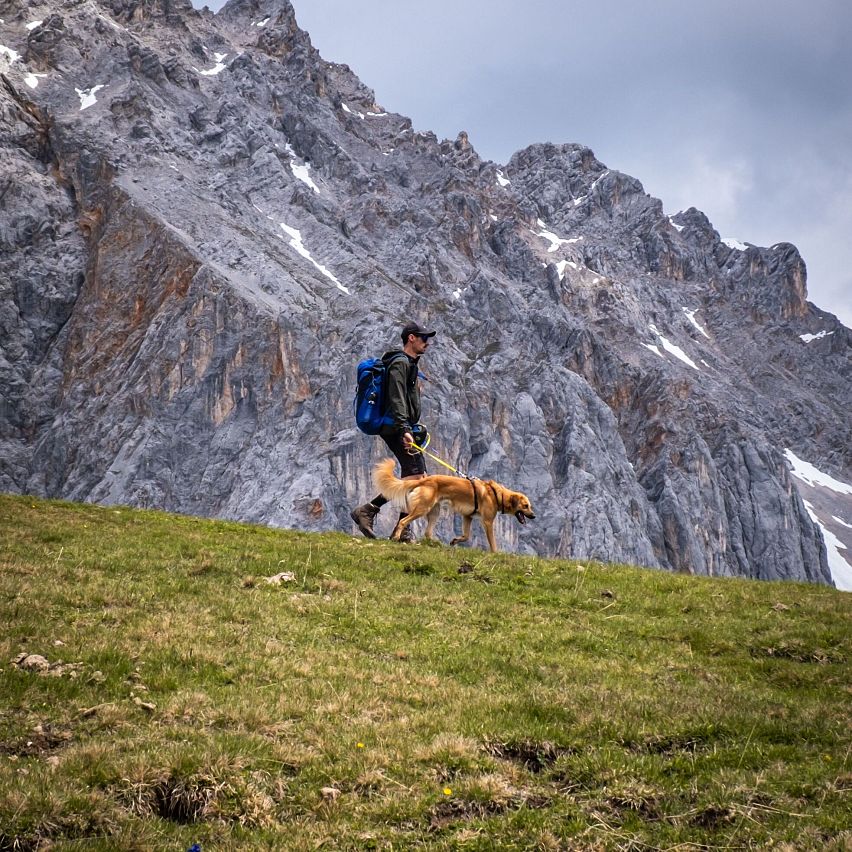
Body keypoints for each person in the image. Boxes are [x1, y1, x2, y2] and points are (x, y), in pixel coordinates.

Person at [351, 321, 436, 542]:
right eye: (423, 338)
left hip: (400, 426)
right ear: (411, 338)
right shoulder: (400, 363)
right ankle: (373, 514)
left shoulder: (409, 364)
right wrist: (405, 429)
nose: (427, 343)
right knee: (417, 477)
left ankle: (398, 529)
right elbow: (396, 398)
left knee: (417, 477)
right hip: (396, 426)